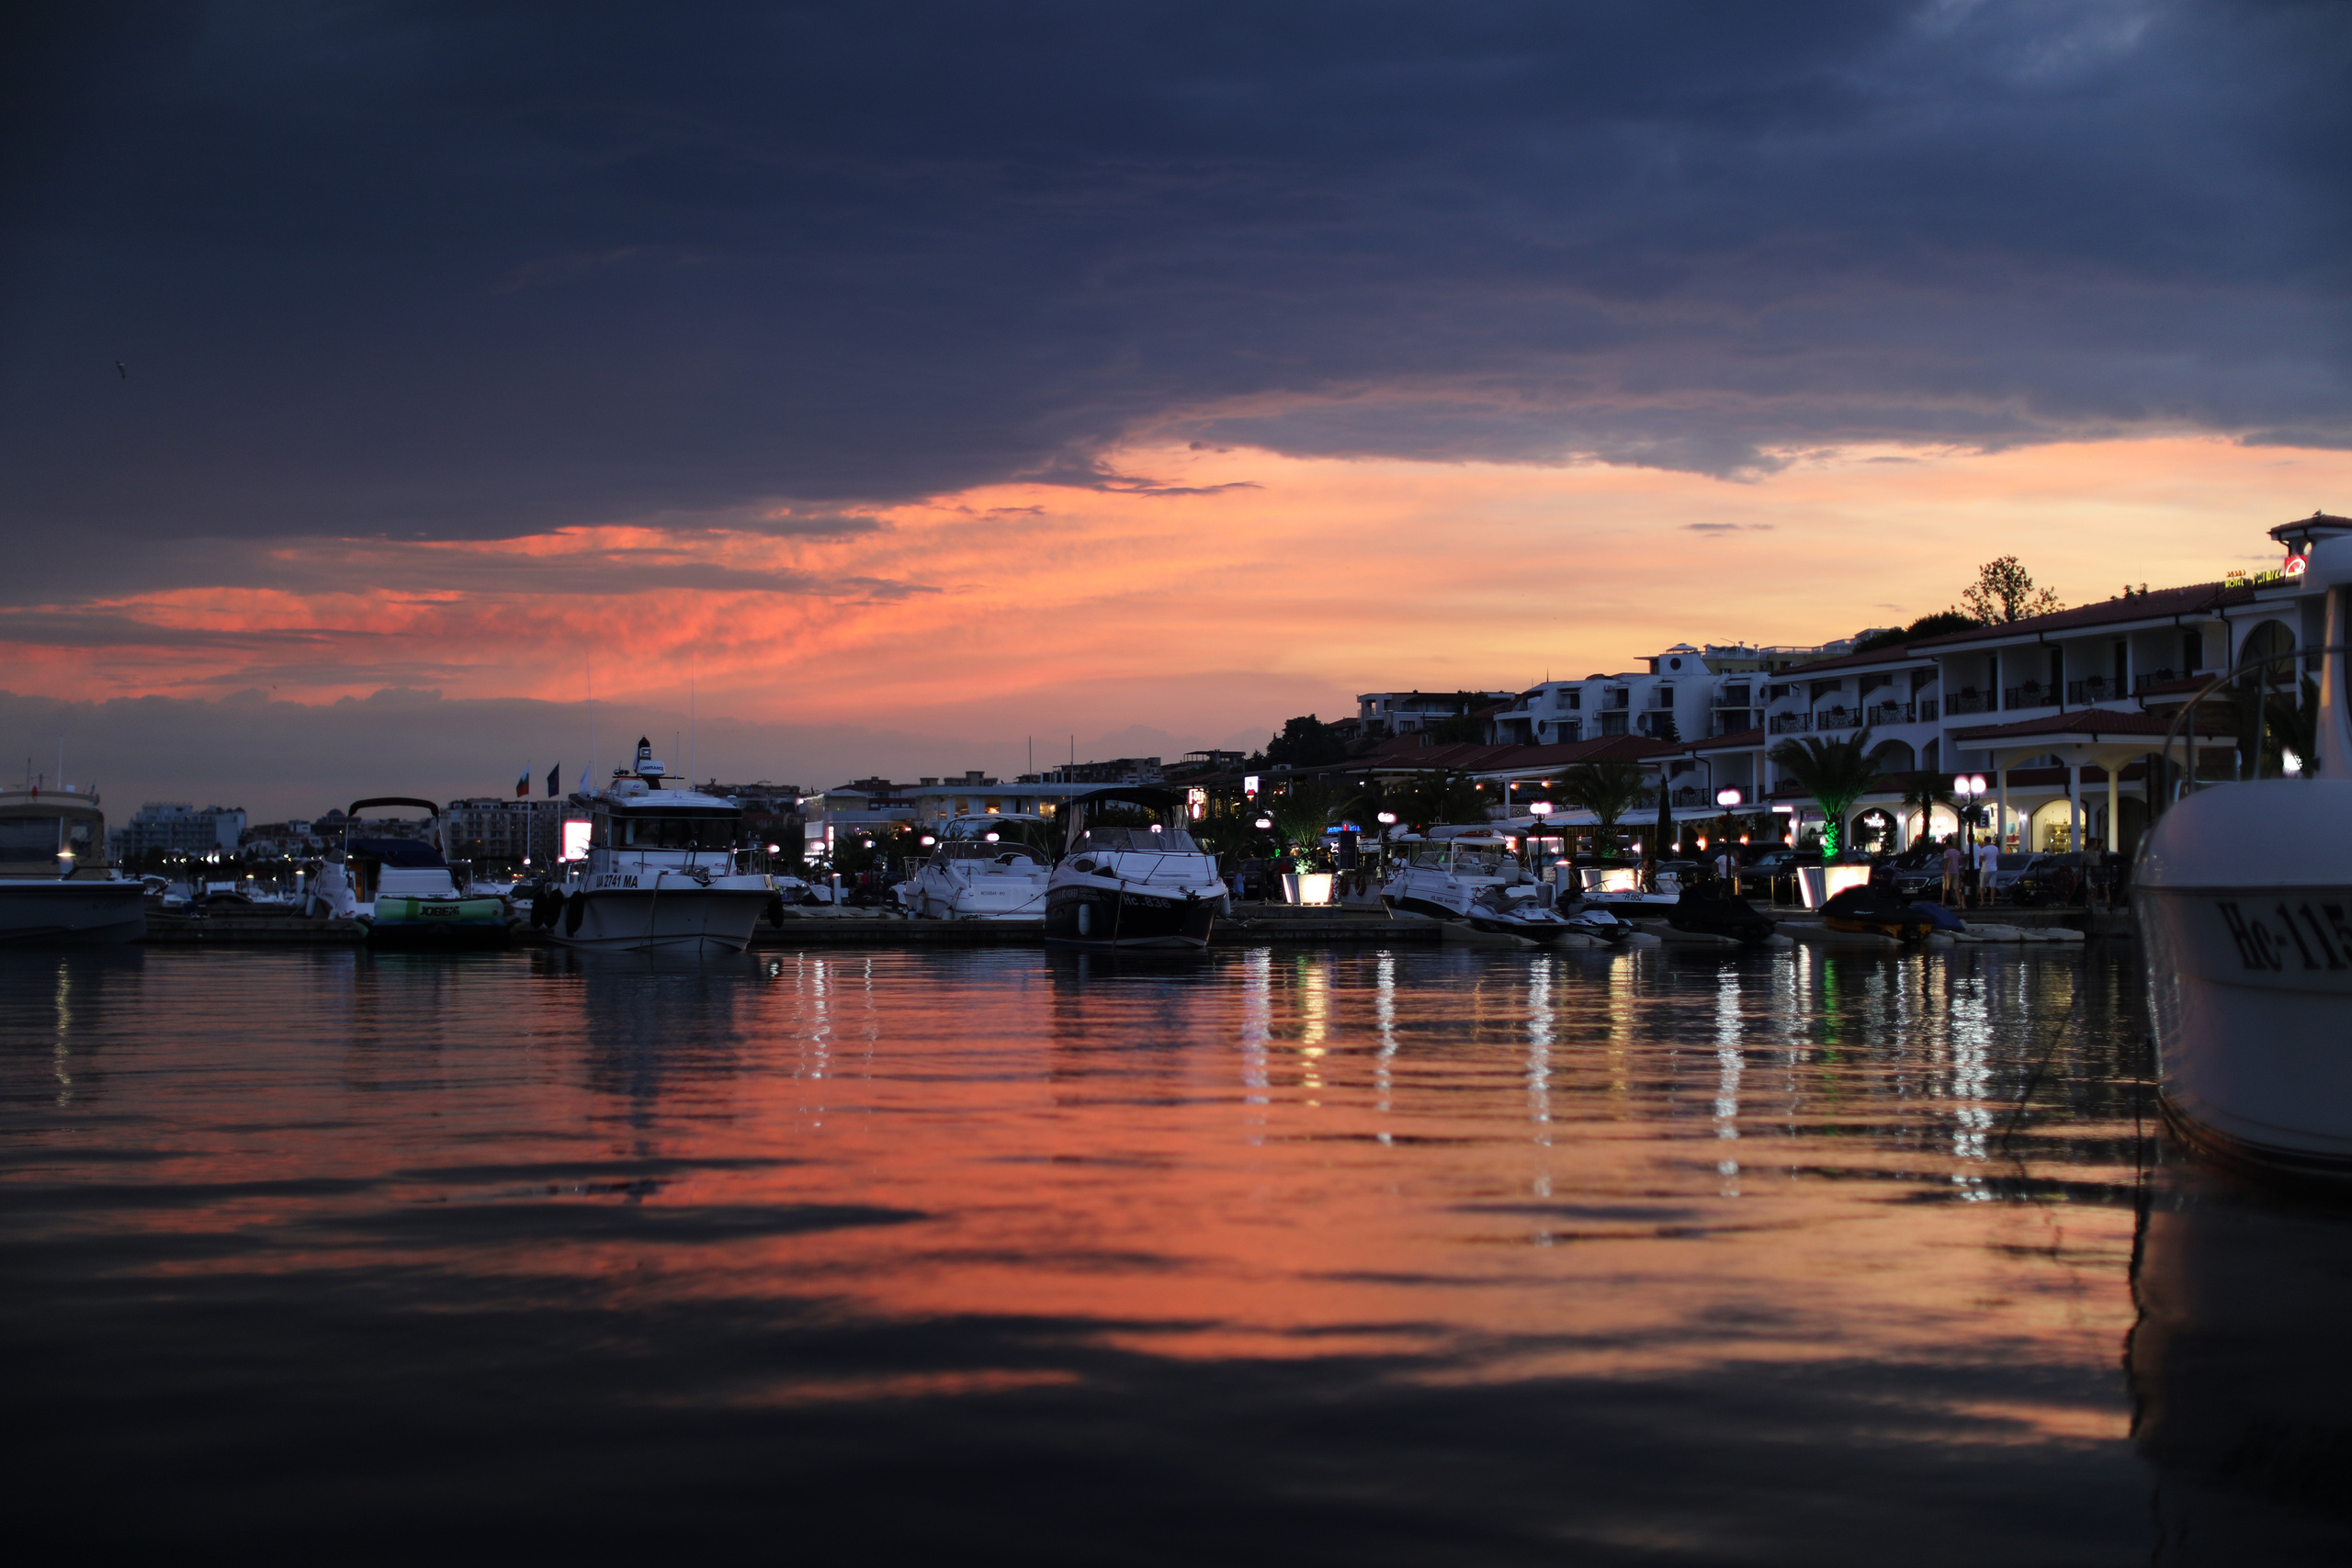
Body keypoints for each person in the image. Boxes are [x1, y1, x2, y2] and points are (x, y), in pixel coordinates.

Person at [1972, 834, 1998, 908]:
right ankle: (1992, 901)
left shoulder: (1983, 849)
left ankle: (1983, 901)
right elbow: (1997, 856)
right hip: (1994, 868)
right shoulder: (1996, 848)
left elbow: (1981, 859)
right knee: (1993, 886)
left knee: (1982, 886)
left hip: (1985, 869)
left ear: (1985, 841)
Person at [1940, 835, 1963, 906]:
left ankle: (1943, 902)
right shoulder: (1957, 852)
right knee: (1956, 887)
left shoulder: (1946, 852)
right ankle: (1960, 901)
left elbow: (1946, 862)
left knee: (1945, 888)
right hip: (1956, 871)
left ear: (1947, 845)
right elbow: (1959, 862)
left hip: (1949, 872)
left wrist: (1944, 872)